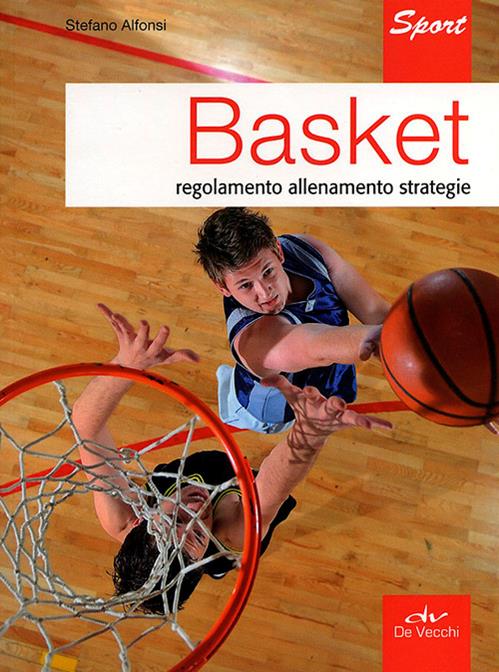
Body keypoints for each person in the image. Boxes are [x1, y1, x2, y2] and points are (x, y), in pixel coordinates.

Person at [71, 304, 392, 614]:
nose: (196, 510)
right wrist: (309, 432)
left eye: (177, 518)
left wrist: (126, 365)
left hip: (194, 471)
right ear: (202, 556)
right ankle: (216, 561)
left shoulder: (123, 519)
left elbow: (86, 426)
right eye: (198, 534)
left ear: (142, 520)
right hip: (239, 501)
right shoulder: (234, 532)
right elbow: (273, 485)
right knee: (263, 508)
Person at [194, 207, 390, 434]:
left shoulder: (306, 250)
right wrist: (390, 338)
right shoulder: (254, 341)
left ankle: (230, 378)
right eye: (246, 285)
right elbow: (316, 346)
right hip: (273, 410)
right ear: (222, 287)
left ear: (278, 251)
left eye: (267, 272)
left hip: (326, 379)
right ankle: (232, 399)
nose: (264, 293)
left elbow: (375, 310)